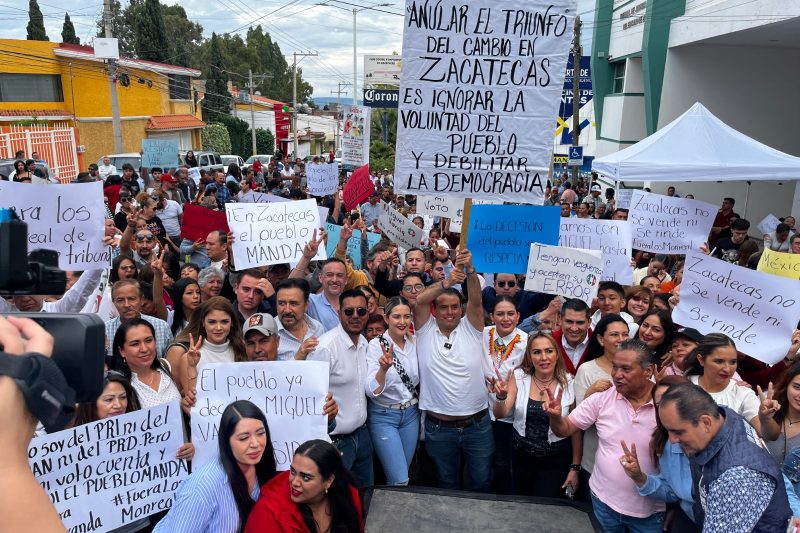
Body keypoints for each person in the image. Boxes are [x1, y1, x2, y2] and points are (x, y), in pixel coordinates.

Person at [545, 340, 665, 531]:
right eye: (614, 367)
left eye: (626, 369)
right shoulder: (602, 399)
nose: (617, 375)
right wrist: (556, 417)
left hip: (650, 513)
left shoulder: (667, 405)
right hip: (603, 505)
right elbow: (565, 429)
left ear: (648, 371)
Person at [658, 383, 792, 531]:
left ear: (706, 422)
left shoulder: (735, 479)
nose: (672, 440)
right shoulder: (724, 415)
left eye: (678, 432)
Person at [413, 249, 493, 492]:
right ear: (435, 310)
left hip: (477, 426)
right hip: (439, 428)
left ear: (461, 309)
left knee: (480, 484)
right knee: (446, 485)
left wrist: (470, 270)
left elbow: (477, 300)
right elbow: (419, 301)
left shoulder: (472, 328)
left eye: (455, 307)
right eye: (444, 307)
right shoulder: (424, 330)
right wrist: (447, 282)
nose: (450, 312)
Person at [155, 400, 277, 533]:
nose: (255, 443)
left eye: (260, 433)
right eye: (243, 438)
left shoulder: (263, 470)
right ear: (226, 441)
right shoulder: (201, 487)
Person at [491, 332, 582, 498]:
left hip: (555, 459)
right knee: (522, 503)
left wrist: (575, 467)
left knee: (544, 506)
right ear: (529, 356)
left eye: (548, 351)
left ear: (557, 354)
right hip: (521, 457)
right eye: (537, 352)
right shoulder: (519, 377)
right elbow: (500, 413)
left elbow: (575, 429)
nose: (543, 357)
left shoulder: (570, 382)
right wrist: (501, 396)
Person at [308, 289, 374, 488]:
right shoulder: (325, 348)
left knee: (365, 499)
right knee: (337, 503)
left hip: (362, 437)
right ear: (339, 313)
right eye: (349, 311)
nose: (355, 316)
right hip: (336, 443)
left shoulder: (364, 343)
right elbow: (311, 397)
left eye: (361, 311)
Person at [245, 439, 364, 533]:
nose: (294, 482)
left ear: (329, 480)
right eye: (292, 471)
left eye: (306, 477)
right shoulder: (268, 511)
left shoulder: (349, 498)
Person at [365, 296, 420, 486]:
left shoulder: (415, 342)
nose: (403, 322)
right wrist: (383, 369)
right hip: (383, 416)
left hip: (411, 415)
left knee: (401, 474)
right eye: (397, 317)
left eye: (407, 316)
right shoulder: (375, 346)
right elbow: (371, 390)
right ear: (386, 318)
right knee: (400, 480)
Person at [482, 296, 528, 494]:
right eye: (500, 314)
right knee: (482, 462)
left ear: (518, 316)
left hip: (509, 415)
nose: (505, 318)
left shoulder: (527, 342)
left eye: (510, 313)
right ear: (492, 316)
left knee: (504, 463)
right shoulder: (482, 334)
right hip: (482, 411)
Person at [167, 296, 248, 395]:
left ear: (232, 323)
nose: (218, 328)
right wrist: (192, 366)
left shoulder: (244, 349)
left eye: (224, 322)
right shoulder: (188, 358)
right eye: (212, 322)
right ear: (203, 322)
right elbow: (194, 401)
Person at [684, 333, 763, 433]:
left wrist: (766, 419)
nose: (727, 369)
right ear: (701, 360)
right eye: (719, 361)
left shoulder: (743, 393)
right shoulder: (683, 384)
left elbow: (766, 434)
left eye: (733, 362)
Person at [108, 318, 182, 410]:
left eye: (148, 340)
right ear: (122, 351)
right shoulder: (117, 384)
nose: (144, 349)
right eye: (135, 344)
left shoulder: (166, 367)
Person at [104, 280, 173, 357]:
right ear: (113, 302)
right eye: (120, 300)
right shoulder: (105, 330)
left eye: (131, 299)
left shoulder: (161, 327)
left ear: (141, 299)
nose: (126, 305)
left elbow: (170, 363)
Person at [274, 279, 325, 361]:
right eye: (282, 303)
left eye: (293, 303)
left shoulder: (317, 328)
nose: (287, 310)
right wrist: (298, 356)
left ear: (306, 305)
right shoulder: (269, 333)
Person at [552, 298, 593, 375]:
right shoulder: (550, 341)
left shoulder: (600, 343)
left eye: (580, 322)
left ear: (589, 322)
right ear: (560, 320)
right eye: (569, 321)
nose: (574, 328)